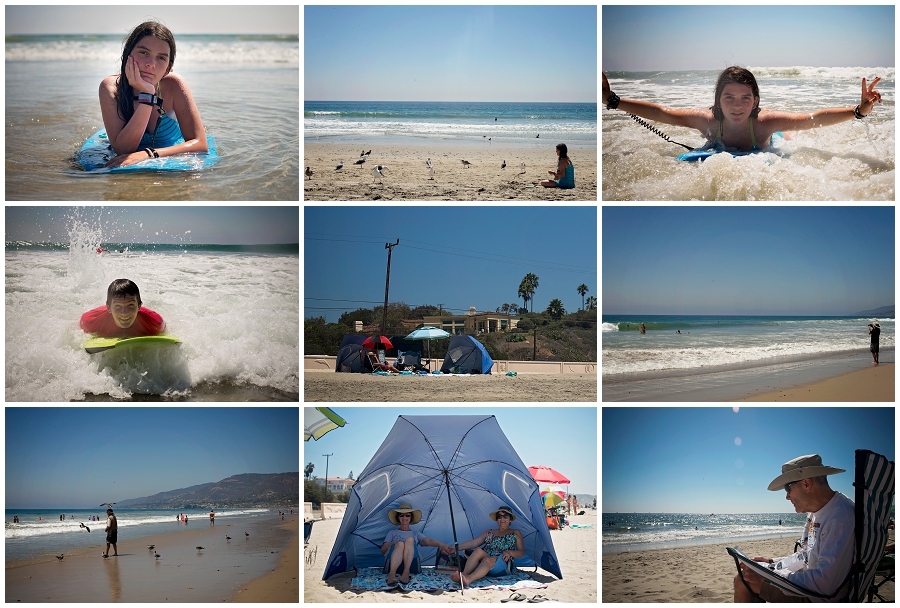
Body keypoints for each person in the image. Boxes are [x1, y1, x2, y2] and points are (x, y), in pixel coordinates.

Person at [603, 67, 882, 153]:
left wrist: (858, 111)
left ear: (756, 100)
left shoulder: (764, 122)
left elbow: (811, 119)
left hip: (766, 142)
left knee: (791, 132)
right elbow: (662, 113)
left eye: (745, 98)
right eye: (729, 97)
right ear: (718, 100)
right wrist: (613, 101)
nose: (737, 106)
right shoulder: (707, 122)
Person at [733, 454, 854, 602]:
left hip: (816, 598)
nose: (787, 497)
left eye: (787, 489)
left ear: (807, 484)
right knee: (746, 576)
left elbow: (825, 584)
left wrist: (770, 575)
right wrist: (771, 563)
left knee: (742, 581)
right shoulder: (817, 512)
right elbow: (806, 556)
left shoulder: (840, 518)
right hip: (808, 589)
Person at [99, 21, 208, 169]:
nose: (151, 63)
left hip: (166, 153)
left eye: (161, 58)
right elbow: (123, 150)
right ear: (127, 54)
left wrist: (148, 154)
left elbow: (200, 144)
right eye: (143, 53)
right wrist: (147, 95)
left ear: (168, 68)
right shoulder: (111, 88)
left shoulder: (174, 86)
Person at [442, 506, 525, 586]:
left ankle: (468, 579)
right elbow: (474, 543)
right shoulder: (489, 532)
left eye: (506, 516)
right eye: (499, 516)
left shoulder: (515, 533)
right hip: (484, 562)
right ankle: (463, 575)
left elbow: (521, 553)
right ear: (496, 519)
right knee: (478, 550)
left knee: (487, 559)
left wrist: (509, 552)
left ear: (510, 519)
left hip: (502, 563)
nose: (502, 519)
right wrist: (456, 548)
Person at [381, 503, 450, 586]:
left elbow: (428, 541)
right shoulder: (392, 533)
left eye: (407, 515)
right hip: (392, 562)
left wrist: (441, 545)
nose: (404, 518)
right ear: (398, 517)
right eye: (401, 515)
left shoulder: (415, 533)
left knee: (410, 540)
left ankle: (406, 572)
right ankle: (392, 574)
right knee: (400, 544)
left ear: (411, 518)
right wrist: (393, 543)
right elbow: (383, 550)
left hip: (412, 563)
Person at [80, 279, 166, 338]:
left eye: (130, 305)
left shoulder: (155, 323)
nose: (124, 312)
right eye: (118, 306)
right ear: (108, 308)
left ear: (139, 306)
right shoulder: (90, 321)